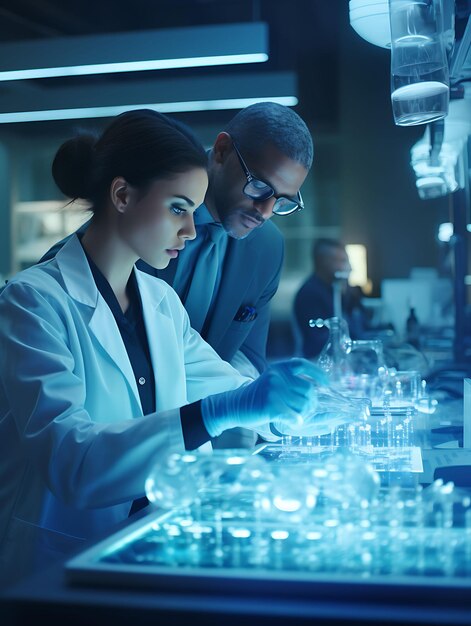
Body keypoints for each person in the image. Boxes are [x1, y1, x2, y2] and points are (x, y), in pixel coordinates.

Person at [0, 110, 330, 587]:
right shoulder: (31, 302)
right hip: (51, 560)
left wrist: (295, 411)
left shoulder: (160, 302)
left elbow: (231, 389)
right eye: (179, 208)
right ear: (122, 195)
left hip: (141, 540)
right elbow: (72, 463)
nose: (193, 230)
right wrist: (225, 409)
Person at [42, 102, 313, 449]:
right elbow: (70, 453)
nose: (266, 212)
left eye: (283, 200)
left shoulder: (167, 297)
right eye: (259, 186)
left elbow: (229, 368)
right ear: (222, 150)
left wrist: (281, 413)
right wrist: (218, 413)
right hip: (114, 457)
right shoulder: (50, 290)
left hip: (175, 457)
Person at [294, 238, 369, 358]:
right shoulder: (310, 293)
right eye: (341, 261)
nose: (347, 267)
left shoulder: (335, 289)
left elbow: (359, 326)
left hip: (340, 358)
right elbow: (319, 340)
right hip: (318, 360)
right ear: (322, 262)